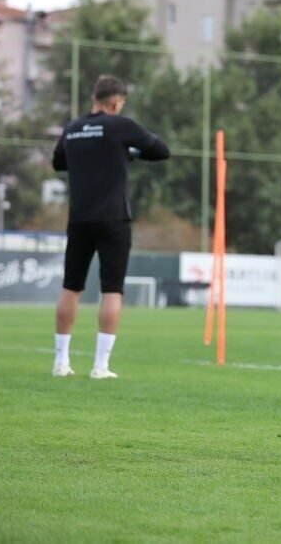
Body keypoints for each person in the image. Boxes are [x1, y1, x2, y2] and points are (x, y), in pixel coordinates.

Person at [51, 75, 169, 379]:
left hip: (79, 219)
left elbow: (59, 162)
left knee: (71, 287)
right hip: (113, 219)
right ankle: (100, 366)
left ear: (94, 98)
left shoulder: (73, 128)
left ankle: (60, 362)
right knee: (112, 289)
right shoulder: (120, 126)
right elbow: (160, 150)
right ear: (116, 102)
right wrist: (130, 152)